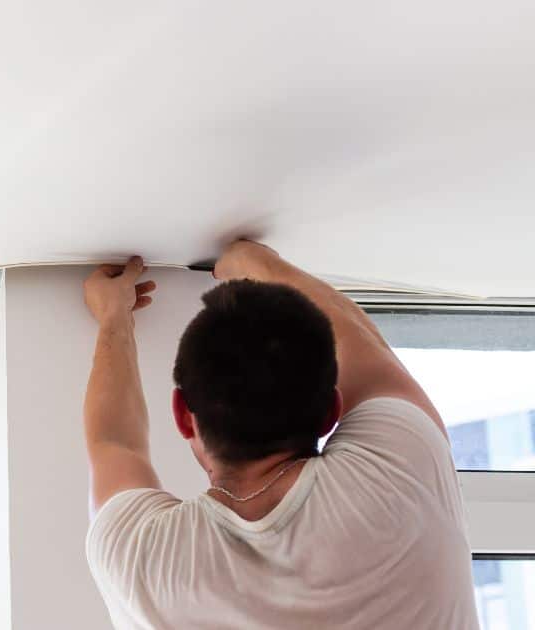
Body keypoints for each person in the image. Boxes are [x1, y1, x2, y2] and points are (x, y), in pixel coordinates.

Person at [80, 239, 478, 629]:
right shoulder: (396, 475)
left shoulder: (142, 560)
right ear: (330, 412)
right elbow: (365, 349)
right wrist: (257, 261)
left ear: (183, 416)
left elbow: (114, 443)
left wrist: (115, 317)